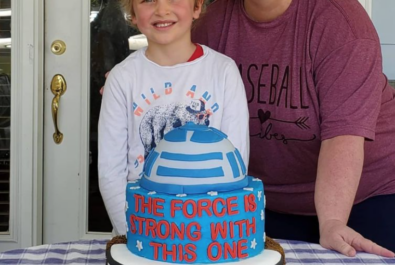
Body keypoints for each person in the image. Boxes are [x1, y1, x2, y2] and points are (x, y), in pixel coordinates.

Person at [191, 0, 395, 258]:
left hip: (368, 195)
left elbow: (343, 137)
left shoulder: (340, 21)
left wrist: (332, 221)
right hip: (263, 201)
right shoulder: (210, 22)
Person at [98, 0, 250, 237]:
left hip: (208, 232)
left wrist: (211, 232)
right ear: (133, 15)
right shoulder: (122, 78)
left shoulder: (223, 72)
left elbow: (235, 161)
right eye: (148, 0)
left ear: (196, 7)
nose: (162, 9)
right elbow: (111, 172)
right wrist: (133, 233)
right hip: (139, 230)